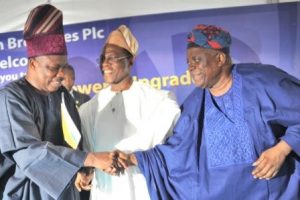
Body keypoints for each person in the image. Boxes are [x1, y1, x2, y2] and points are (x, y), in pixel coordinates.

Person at [117, 24, 300, 199]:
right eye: (188, 62)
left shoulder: (263, 81)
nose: (190, 67)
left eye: (196, 60)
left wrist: (281, 149)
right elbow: (176, 152)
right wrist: (134, 158)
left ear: (220, 59)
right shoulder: (194, 104)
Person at [0, 4, 121, 200]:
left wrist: (84, 169)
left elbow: (73, 140)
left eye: (63, 67)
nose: (61, 75)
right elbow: (29, 153)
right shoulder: (11, 98)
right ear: (33, 63)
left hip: (66, 192)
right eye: (53, 68)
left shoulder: (62, 95)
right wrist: (91, 159)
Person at [77, 25, 181, 200]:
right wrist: (86, 170)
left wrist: (127, 156)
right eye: (103, 58)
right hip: (105, 192)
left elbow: (168, 149)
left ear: (131, 60)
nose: (105, 64)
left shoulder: (159, 101)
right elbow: (87, 151)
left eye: (113, 58)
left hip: (143, 190)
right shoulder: (90, 108)